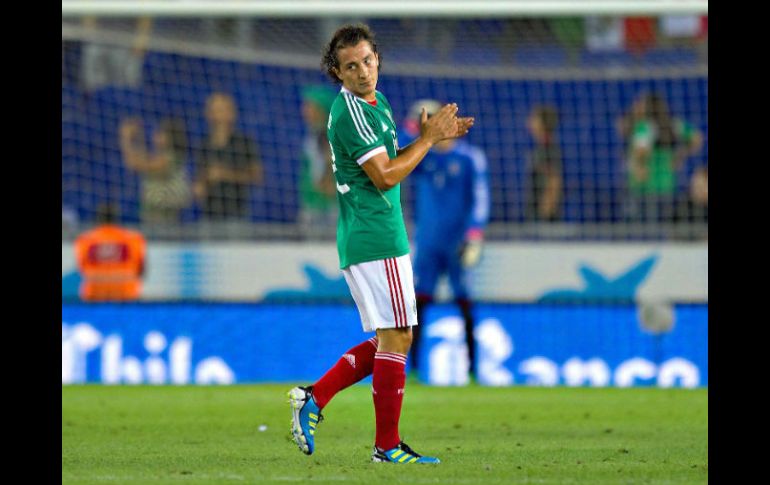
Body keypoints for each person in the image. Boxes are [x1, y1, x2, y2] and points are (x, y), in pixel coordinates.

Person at [287, 24, 474, 465]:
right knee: (397, 336)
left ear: (378, 60)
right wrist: (428, 140)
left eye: (368, 61)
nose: (363, 72)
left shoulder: (376, 103)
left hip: (379, 235)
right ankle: (385, 445)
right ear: (337, 72)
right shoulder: (351, 112)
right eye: (351, 66)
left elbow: (391, 160)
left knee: (395, 337)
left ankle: (314, 399)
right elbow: (385, 175)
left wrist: (427, 140)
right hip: (374, 236)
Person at [399, 99, 490, 381]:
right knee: (419, 304)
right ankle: (413, 369)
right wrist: (411, 126)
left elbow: (480, 198)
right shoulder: (423, 157)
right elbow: (395, 153)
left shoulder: (469, 158)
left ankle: (474, 370)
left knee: (464, 302)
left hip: (458, 245)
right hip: (428, 244)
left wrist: (474, 233)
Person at [620, 92, 703, 223]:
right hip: (667, 186)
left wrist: (638, 166)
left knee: (640, 231)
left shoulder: (644, 127)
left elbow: (641, 151)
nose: (637, 106)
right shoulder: (673, 125)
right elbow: (697, 138)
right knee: (663, 227)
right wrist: (681, 155)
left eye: (641, 103)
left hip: (643, 188)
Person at [194, 92, 263, 220]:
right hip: (209, 215)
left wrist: (225, 174)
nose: (216, 115)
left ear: (231, 113)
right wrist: (200, 186)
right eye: (212, 110)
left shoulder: (244, 142)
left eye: (220, 110)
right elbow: (200, 177)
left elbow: (257, 177)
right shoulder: (204, 144)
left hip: (235, 215)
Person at [119, 117, 192, 223]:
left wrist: (125, 138)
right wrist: (139, 136)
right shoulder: (160, 155)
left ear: (170, 137)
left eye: (160, 133)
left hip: (166, 216)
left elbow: (135, 164)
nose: (155, 135)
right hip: (153, 214)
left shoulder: (173, 157)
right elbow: (142, 158)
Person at [74, 204, 147, 302]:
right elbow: (142, 269)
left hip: (94, 294)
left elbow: (81, 268)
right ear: (117, 218)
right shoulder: (133, 239)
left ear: (99, 219)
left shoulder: (85, 239)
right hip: (126, 294)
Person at [298, 85, 338, 239]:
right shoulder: (313, 134)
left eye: (309, 106)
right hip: (314, 203)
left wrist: (326, 186)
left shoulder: (328, 135)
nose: (305, 110)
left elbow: (328, 164)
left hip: (327, 207)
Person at [525, 105, 563, 222]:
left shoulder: (548, 149)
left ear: (542, 124)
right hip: (535, 213)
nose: (529, 121)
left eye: (534, 118)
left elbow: (554, 181)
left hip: (543, 218)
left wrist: (545, 214)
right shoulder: (540, 148)